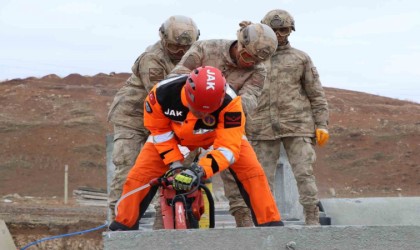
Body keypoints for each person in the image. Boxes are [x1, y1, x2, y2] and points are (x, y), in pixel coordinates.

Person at [108, 66, 283, 231]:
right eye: (198, 110)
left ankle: (271, 225)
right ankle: (123, 227)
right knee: (140, 175)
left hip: (218, 136)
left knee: (252, 172)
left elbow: (229, 148)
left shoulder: (232, 103)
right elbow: (159, 131)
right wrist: (174, 164)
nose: (203, 115)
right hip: (174, 136)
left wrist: (199, 170)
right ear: (188, 94)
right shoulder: (161, 95)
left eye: (208, 111)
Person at [169, 22, 278, 227]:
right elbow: (176, 78)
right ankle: (172, 219)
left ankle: (243, 220)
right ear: (239, 44)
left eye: (256, 60)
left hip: (226, 123)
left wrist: (219, 107)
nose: (250, 63)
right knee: (177, 171)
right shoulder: (205, 49)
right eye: (247, 57)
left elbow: (250, 100)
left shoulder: (258, 70)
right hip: (190, 119)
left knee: (237, 165)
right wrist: (198, 101)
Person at [107, 15, 200, 227]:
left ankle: (165, 220)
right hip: (134, 118)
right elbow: (160, 96)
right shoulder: (152, 58)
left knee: (175, 168)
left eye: (185, 47)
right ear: (163, 39)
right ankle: (119, 223)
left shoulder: (194, 55)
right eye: (174, 46)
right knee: (128, 168)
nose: (180, 52)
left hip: (167, 118)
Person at [246, 9, 330, 225]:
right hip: (261, 127)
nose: (280, 34)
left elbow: (316, 93)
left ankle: (312, 217)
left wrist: (322, 124)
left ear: (290, 31)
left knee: (304, 173)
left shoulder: (300, 58)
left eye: (284, 29)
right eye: (275, 30)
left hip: (298, 125)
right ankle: (268, 221)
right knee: (262, 179)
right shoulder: (252, 58)